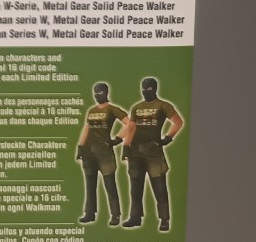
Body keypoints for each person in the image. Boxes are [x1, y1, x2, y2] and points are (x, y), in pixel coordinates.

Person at [120, 76, 184, 231]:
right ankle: (135, 217)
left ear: (155, 88)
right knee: (135, 187)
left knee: (159, 186)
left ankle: (164, 219)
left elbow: (178, 122)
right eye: (143, 88)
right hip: (135, 151)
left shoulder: (163, 105)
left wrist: (167, 138)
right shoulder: (136, 107)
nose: (145, 91)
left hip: (154, 151)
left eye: (148, 88)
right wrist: (126, 146)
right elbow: (131, 128)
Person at [76, 81, 126, 225]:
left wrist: (117, 139)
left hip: (104, 153)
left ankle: (115, 214)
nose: (97, 94)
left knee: (109, 184)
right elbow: (86, 129)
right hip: (89, 152)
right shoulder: (91, 111)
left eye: (100, 92)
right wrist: (80, 147)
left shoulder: (112, 109)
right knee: (90, 184)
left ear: (106, 92)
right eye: (95, 92)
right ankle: (89, 213)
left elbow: (129, 124)